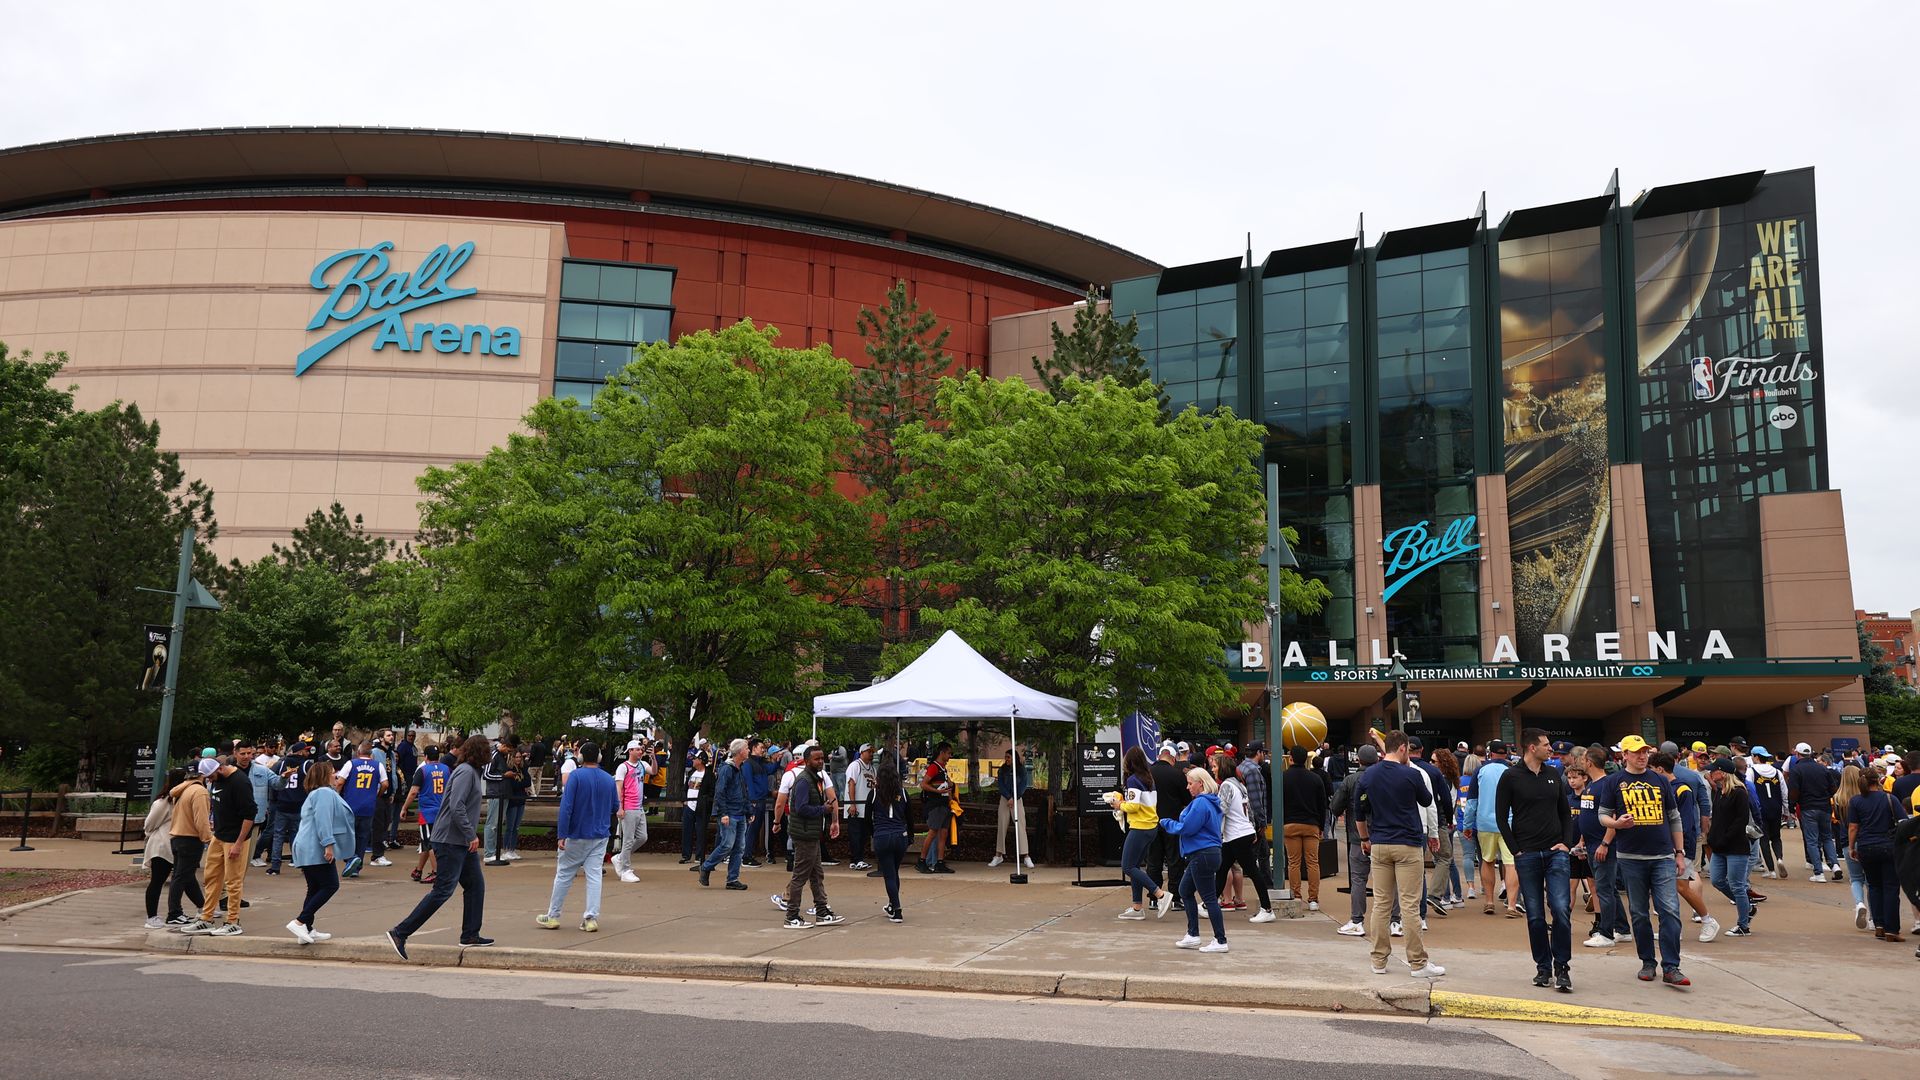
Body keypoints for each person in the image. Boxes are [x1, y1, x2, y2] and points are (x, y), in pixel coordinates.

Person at [387, 734, 493, 959]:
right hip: (450, 840)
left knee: (475, 886)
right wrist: (470, 833)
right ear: (479, 752)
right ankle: (400, 932)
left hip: (460, 842)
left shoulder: (470, 771)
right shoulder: (465, 772)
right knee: (443, 890)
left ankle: (470, 934)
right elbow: (456, 806)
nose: (490, 753)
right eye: (487, 749)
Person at [1597, 735, 1689, 986]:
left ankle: (1672, 966)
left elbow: (1674, 818)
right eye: (1637, 752)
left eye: (1645, 751)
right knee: (1639, 913)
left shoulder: (1660, 780)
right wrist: (1616, 824)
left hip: (1662, 857)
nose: (1642, 756)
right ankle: (1648, 962)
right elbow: (1603, 816)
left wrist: (1679, 853)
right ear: (1624, 755)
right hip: (1630, 858)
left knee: (1670, 911)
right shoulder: (1614, 782)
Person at [1357, 731, 1443, 978]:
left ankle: (1378, 960)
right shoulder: (1412, 774)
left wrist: (1365, 839)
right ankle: (1417, 962)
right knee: (1409, 905)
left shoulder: (1368, 775)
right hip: (1407, 843)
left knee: (1381, 904)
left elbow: (1359, 813)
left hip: (1379, 843)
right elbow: (1426, 801)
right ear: (1404, 748)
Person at [1497, 728, 1577, 993]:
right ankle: (1543, 967)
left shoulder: (1554, 774)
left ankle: (1562, 967)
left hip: (1556, 853)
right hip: (1527, 854)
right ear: (1532, 747)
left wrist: (1566, 843)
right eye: (1545, 745)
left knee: (1561, 909)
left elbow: (1565, 813)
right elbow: (1500, 817)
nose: (1550, 749)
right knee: (1534, 915)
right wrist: (1516, 850)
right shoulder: (1510, 777)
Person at [539, 741, 617, 933]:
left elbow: (566, 808)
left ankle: (553, 915)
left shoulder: (575, 777)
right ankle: (591, 918)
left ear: (580, 757)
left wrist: (562, 834)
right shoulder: (608, 779)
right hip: (600, 834)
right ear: (599, 757)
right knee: (594, 875)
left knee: (564, 875)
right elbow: (615, 806)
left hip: (576, 833)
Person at [1160, 766, 1228, 953]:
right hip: (1207, 853)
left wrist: (1166, 822)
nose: (1188, 787)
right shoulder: (1210, 802)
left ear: (1201, 783)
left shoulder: (1200, 803)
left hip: (1202, 854)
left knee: (1209, 898)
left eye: (1190, 783)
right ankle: (1193, 935)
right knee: (1185, 890)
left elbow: (1187, 828)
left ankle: (1220, 940)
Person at [287, 759, 355, 944]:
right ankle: (300, 921)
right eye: (333, 771)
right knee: (330, 885)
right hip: (314, 847)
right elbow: (323, 820)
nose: (336, 774)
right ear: (325, 775)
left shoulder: (318, 793)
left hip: (307, 846)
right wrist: (329, 845)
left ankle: (307, 928)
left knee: (315, 887)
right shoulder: (324, 793)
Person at [190, 753, 257, 935]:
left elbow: (250, 815)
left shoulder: (240, 783)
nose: (210, 781)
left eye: (211, 777)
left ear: (219, 769)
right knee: (211, 877)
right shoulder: (216, 779)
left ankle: (233, 921)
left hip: (235, 839)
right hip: (219, 836)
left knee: (233, 881)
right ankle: (207, 917)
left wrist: (238, 843)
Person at [1650, 752, 1715, 941]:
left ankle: (1708, 920)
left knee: (1682, 886)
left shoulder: (1681, 789)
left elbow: (1684, 822)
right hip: (1666, 845)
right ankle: (1671, 928)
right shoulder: (1663, 787)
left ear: (1660, 769)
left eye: (1652, 769)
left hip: (1681, 846)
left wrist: (1678, 848)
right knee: (1666, 889)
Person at [781, 744, 844, 928]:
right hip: (804, 834)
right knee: (800, 876)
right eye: (817, 759)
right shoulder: (803, 781)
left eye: (822, 758)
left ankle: (822, 912)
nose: (821, 762)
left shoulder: (815, 778)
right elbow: (800, 808)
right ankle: (792, 916)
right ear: (807, 761)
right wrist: (822, 809)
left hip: (812, 834)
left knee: (816, 875)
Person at [1213, 752, 1276, 922]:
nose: (1213, 769)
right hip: (1241, 833)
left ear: (1223, 768)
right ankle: (1208, 904)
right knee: (1223, 869)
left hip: (1236, 835)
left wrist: (1215, 832)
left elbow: (1221, 811)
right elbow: (1249, 809)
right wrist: (1253, 829)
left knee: (1251, 871)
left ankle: (1267, 908)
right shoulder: (1239, 784)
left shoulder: (1226, 785)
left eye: (1215, 766)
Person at [1848, 764, 1907, 942]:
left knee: (1874, 886)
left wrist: (1852, 847)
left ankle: (1879, 924)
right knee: (1890, 887)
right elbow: (1903, 821)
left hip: (1865, 846)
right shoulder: (1890, 799)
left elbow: (1853, 827)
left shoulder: (1855, 801)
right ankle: (1892, 929)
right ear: (1878, 780)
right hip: (1888, 845)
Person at [1113, 746, 1172, 919]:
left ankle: (1160, 894)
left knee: (1128, 866)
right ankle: (1137, 907)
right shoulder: (1148, 779)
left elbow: (1133, 806)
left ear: (1130, 762)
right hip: (1151, 826)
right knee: (1135, 866)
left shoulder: (1133, 780)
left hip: (1140, 826)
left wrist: (1119, 805)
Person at [1465, 740, 1521, 917]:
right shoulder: (1513, 771)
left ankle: (1489, 901)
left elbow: (1472, 801)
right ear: (1506, 753)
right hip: (1510, 823)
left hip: (1485, 822)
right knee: (1511, 863)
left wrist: (1467, 824)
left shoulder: (1480, 770)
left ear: (1490, 753)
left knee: (1487, 861)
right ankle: (1512, 905)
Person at [1330, 743, 1379, 936]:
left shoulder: (1350, 780)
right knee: (1390, 880)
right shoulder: (1383, 777)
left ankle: (1357, 920)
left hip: (1358, 836)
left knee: (1358, 879)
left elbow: (1335, 807)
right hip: (1384, 836)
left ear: (1358, 759)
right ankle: (1395, 920)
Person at [1703, 758, 1754, 939]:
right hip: (1719, 846)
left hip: (1736, 847)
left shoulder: (1739, 792)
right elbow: (1716, 818)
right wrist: (1712, 838)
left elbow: (1741, 820)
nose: (1710, 773)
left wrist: (1723, 839)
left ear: (1722, 772)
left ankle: (1743, 925)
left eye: (1713, 770)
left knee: (1737, 885)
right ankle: (1747, 906)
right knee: (1717, 880)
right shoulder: (1719, 791)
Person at [165, 760, 215, 930]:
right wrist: (208, 838)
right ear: (203, 774)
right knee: (181, 876)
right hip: (191, 838)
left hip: (177, 837)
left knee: (186, 875)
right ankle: (174, 913)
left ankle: (203, 907)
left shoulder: (182, 790)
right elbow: (201, 819)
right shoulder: (200, 791)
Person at [698, 738, 752, 890]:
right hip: (730, 812)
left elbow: (743, 791)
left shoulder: (738, 768)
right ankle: (707, 866)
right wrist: (723, 813)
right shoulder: (727, 769)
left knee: (739, 847)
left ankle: (732, 879)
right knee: (727, 844)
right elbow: (720, 792)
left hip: (739, 812)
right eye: (747, 748)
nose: (748, 751)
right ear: (740, 752)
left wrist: (748, 810)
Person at [1281, 745, 1330, 910]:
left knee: (1293, 862)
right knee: (1313, 863)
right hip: (1311, 824)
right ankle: (1313, 899)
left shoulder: (1283, 778)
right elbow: (1322, 804)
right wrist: (1321, 826)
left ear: (1291, 759)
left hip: (1290, 824)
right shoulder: (1315, 779)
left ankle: (1296, 895)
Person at [1788, 740, 1842, 881]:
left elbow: (1794, 791)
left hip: (1808, 807)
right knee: (1827, 838)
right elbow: (1833, 789)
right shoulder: (1822, 768)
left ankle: (1819, 872)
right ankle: (1835, 865)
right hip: (1824, 806)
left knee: (1812, 840)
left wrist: (1792, 806)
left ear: (1797, 754)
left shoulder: (1796, 769)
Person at [139, 768, 185, 929]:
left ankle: (180, 912)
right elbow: (149, 824)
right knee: (157, 881)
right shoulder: (163, 802)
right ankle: (151, 917)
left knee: (182, 880)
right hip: (161, 846)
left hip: (176, 845)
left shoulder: (182, 799)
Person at [869, 754, 913, 922]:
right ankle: (892, 904)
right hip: (899, 835)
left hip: (882, 836)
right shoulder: (903, 793)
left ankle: (897, 909)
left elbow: (867, 818)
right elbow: (910, 818)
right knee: (894, 872)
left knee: (889, 874)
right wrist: (910, 836)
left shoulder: (873, 794)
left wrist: (873, 834)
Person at [1149, 743, 1192, 908]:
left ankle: (1154, 896)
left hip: (1151, 822)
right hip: (1172, 823)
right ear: (1173, 758)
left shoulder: (1148, 773)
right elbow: (1187, 800)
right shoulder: (1177, 775)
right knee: (1175, 860)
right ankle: (1175, 898)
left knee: (1154, 860)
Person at [337, 741, 387, 876]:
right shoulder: (378, 765)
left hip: (351, 805)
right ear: (371, 754)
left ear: (358, 753)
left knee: (347, 835)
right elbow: (385, 784)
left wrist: (336, 796)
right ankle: (356, 867)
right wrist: (378, 794)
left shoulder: (351, 764)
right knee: (363, 837)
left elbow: (340, 781)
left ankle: (351, 858)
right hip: (368, 806)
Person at [401, 745, 450, 883]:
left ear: (426, 757)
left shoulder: (422, 770)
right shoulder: (446, 769)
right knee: (426, 843)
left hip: (428, 811)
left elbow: (413, 792)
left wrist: (404, 808)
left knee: (430, 843)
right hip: (443, 811)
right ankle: (418, 870)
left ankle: (436, 872)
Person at [611, 740, 653, 884]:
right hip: (629, 807)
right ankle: (625, 870)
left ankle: (620, 858)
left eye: (641, 749)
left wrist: (653, 758)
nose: (640, 751)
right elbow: (619, 788)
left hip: (639, 807)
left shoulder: (642, 765)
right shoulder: (623, 767)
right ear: (630, 751)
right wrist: (620, 807)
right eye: (637, 749)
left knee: (642, 837)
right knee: (628, 840)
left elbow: (653, 771)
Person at [989, 748, 1033, 869]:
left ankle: (1026, 856)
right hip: (1005, 799)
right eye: (1006, 757)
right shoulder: (1002, 770)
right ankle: (998, 855)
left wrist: (1014, 797)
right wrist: (1008, 797)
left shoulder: (1021, 770)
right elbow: (1001, 785)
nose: (1006, 759)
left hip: (1017, 799)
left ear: (1014, 758)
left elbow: (1023, 785)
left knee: (1020, 826)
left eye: (1008, 757)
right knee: (1002, 825)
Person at [1237, 742, 1273, 884]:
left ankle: (1268, 882)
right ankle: (1262, 884)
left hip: (1246, 817)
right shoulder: (1253, 770)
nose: (1264, 755)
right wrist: (1262, 822)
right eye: (1263, 752)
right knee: (1252, 857)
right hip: (1254, 820)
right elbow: (1255, 799)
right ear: (1258, 753)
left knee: (1263, 852)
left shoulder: (1242, 767)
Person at [481, 734, 520, 865]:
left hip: (503, 794)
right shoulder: (493, 755)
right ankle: (489, 853)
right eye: (509, 750)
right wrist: (504, 776)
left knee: (497, 825)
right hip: (495, 794)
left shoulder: (502, 756)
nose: (509, 753)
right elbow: (486, 774)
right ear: (504, 746)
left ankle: (495, 851)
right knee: (492, 824)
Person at [918, 743, 955, 874]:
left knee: (943, 833)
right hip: (935, 805)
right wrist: (936, 791)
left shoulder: (943, 769)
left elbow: (947, 787)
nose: (950, 756)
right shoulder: (934, 767)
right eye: (949, 753)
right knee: (933, 832)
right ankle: (922, 861)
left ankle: (940, 862)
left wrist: (950, 800)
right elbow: (923, 784)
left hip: (944, 805)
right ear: (942, 753)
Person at [1750, 747, 1787, 878]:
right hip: (1776, 808)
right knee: (1776, 837)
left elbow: (1750, 790)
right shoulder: (1777, 772)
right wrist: (1786, 810)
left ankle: (1771, 870)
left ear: (1755, 757)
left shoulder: (1752, 771)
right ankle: (1779, 858)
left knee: (1763, 839)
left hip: (1761, 809)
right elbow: (1784, 792)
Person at [681, 751, 709, 865]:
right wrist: (685, 800)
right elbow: (685, 787)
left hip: (701, 807)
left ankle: (699, 855)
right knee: (687, 831)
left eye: (695, 758)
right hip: (689, 806)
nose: (693, 760)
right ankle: (686, 855)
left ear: (701, 760)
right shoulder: (692, 772)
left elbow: (711, 791)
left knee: (701, 831)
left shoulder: (708, 774)